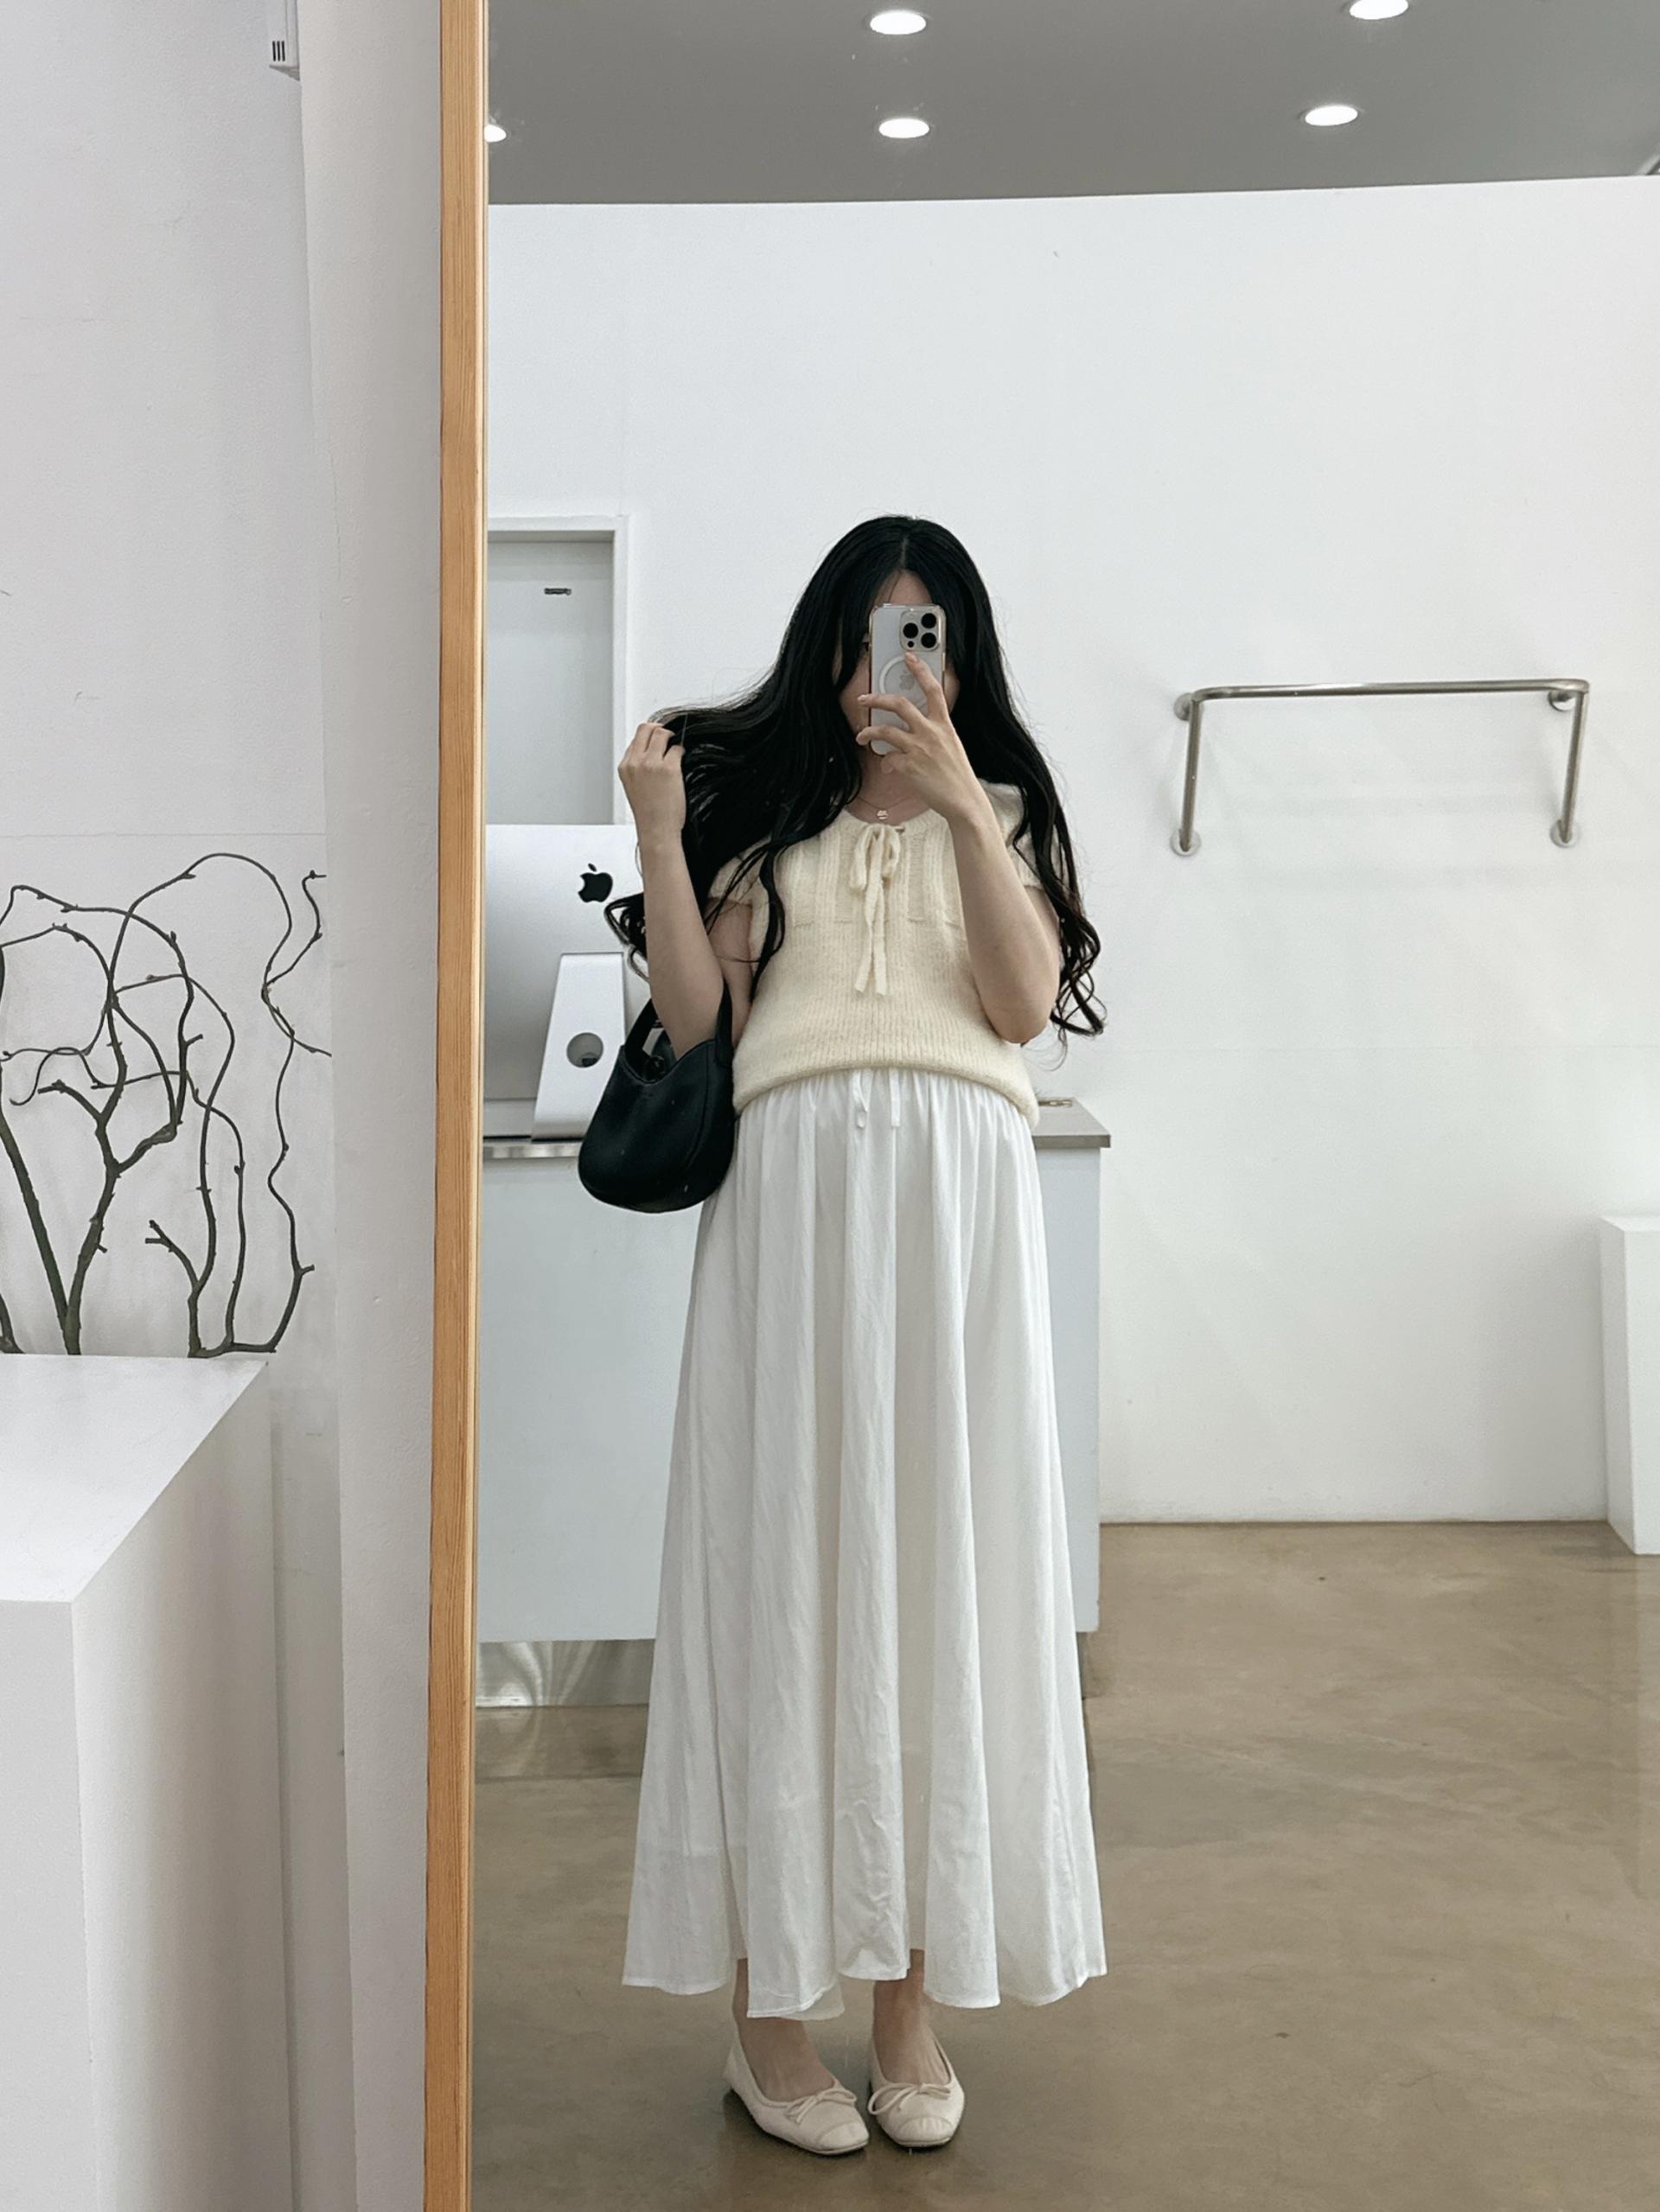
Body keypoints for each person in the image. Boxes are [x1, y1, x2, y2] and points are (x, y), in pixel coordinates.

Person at [611, 514, 1109, 2155]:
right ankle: (767, 2023)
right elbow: (700, 1021)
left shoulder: (1009, 810)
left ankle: (907, 2009)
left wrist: (961, 797)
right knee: (786, 1580)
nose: (898, 666)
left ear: (960, 656)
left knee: (934, 1590)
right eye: (875, 634)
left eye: (928, 634)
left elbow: (1021, 1004)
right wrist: (663, 833)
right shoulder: (772, 817)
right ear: (830, 650)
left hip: (956, 1235)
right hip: (795, 1225)